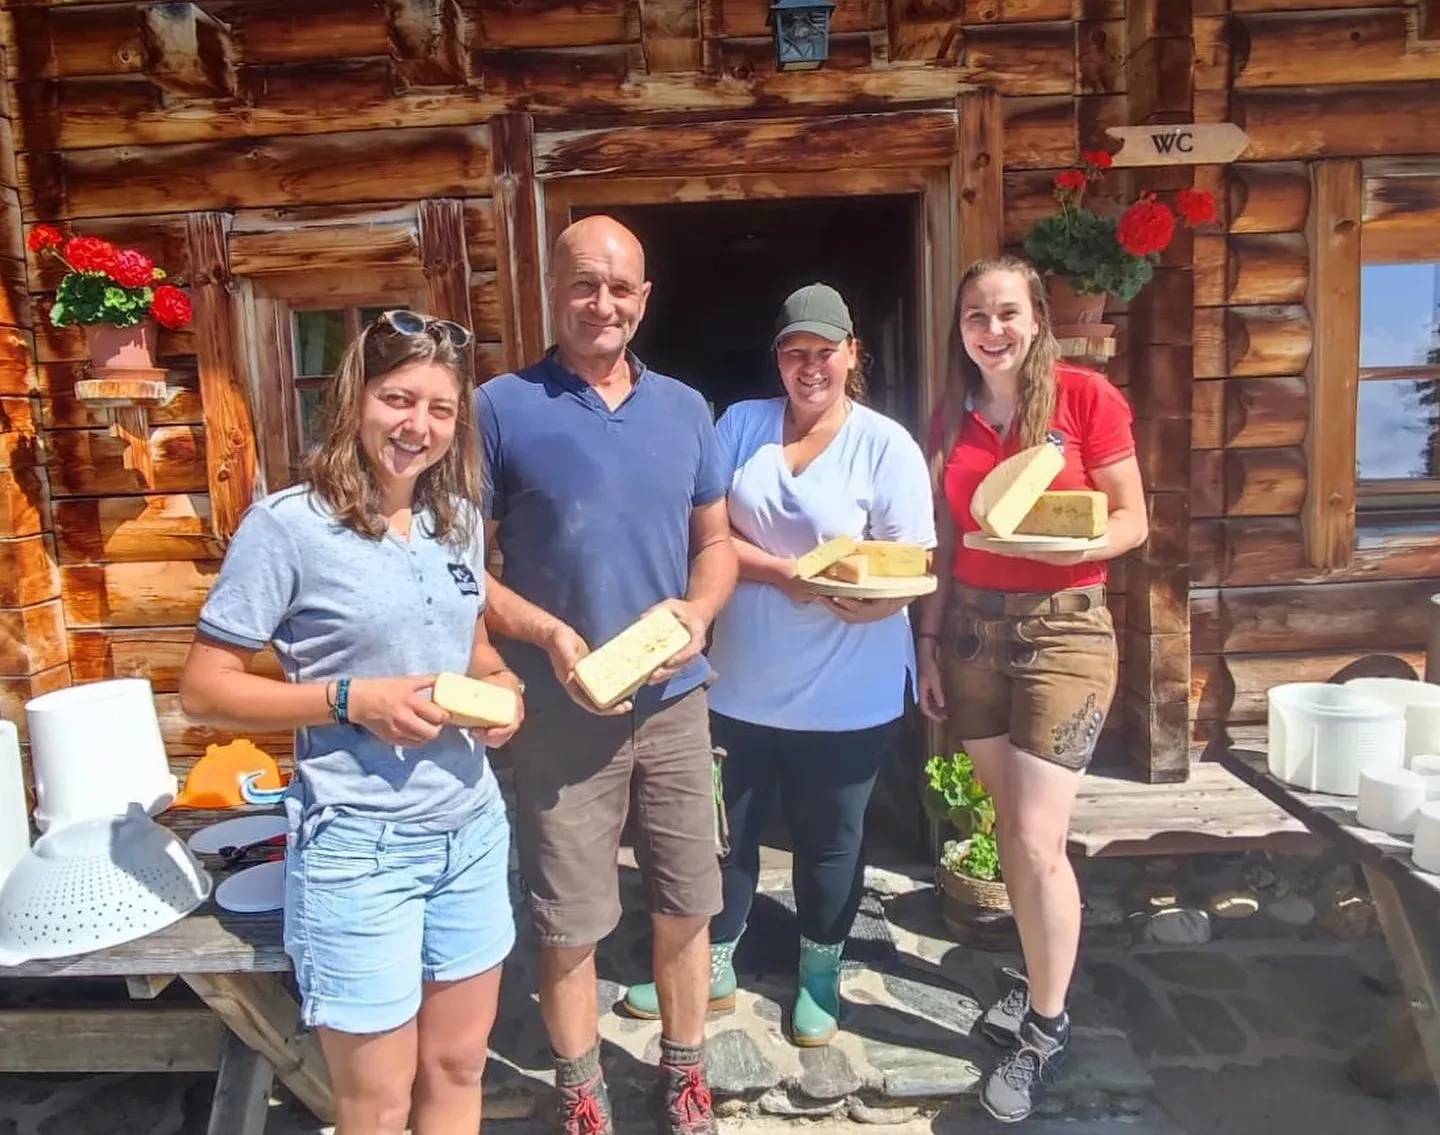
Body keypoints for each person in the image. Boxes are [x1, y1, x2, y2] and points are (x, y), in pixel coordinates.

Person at [179, 310, 521, 1135]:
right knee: (374, 1102)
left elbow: (472, 648)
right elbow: (203, 688)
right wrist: (349, 700)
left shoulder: (458, 521)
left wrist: (504, 689)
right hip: (358, 848)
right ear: (355, 399)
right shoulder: (288, 526)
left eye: (441, 409)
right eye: (398, 399)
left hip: (471, 830)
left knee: (457, 1067)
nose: (418, 426)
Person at [620, 283, 936, 1047]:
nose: (809, 366)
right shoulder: (742, 424)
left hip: (849, 689)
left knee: (832, 837)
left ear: (851, 354)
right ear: (779, 358)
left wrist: (883, 601)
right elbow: (712, 525)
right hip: (743, 677)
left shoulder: (885, 443)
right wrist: (788, 574)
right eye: (795, 352)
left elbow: (915, 556)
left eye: (824, 351)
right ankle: (716, 957)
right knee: (728, 829)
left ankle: (820, 969)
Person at [477, 215, 739, 1135]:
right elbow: (463, 568)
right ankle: (583, 1090)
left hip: (674, 702)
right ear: (555, 288)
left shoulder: (686, 408)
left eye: (621, 288)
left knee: (687, 904)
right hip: (561, 709)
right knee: (570, 919)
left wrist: (699, 615)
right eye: (587, 284)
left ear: (645, 298)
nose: (604, 304)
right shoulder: (500, 406)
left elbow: (716, 544)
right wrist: (546, 633)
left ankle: (685, 1074)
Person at [915, 255, 1147, 1123]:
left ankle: (1045, 1028)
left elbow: (1132, 517)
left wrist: (1064, 552)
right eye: (976, 314)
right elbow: (946, 541)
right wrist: (931, 642)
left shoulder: (1086, 399)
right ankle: (1035, 973)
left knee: (1040, 839)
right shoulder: (953, 416)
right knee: (1008, 826)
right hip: (974, 629)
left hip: (1064, 627)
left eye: (1007, 311)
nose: (992, 328)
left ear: (1039, 318)